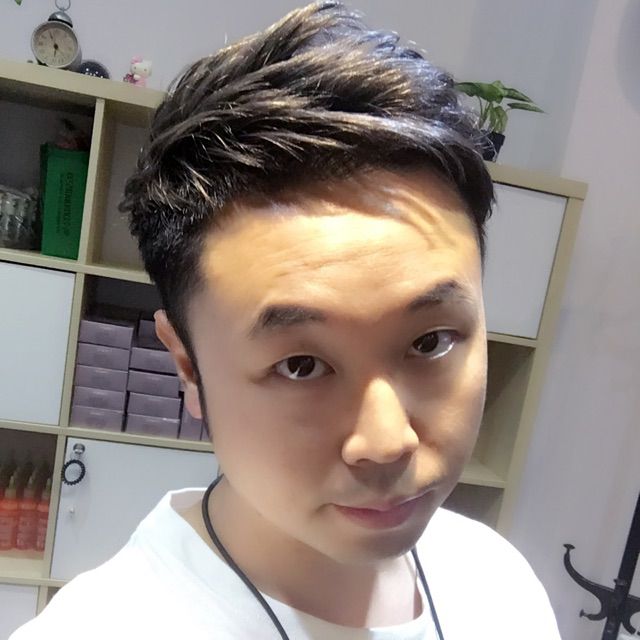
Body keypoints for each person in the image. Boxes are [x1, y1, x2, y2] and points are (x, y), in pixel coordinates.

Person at [11, 2, 561, 638]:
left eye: (431, 341)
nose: (387, 443)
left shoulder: (499, 585)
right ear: (187, 366)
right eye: (301, 364)